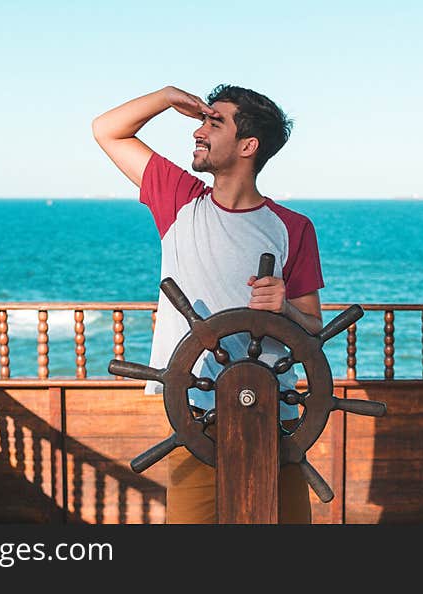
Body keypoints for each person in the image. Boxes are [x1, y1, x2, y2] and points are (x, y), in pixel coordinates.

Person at [92, 84, 325, 523]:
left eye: (214, 122)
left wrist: (287, 308)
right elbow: (107, 131)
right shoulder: (180, 199)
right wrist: (165, 98)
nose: (198, 131)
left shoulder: (293, 227)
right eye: (201, 120)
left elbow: (313, 327)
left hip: (276, 417)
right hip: (196, 415)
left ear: (248, 145)